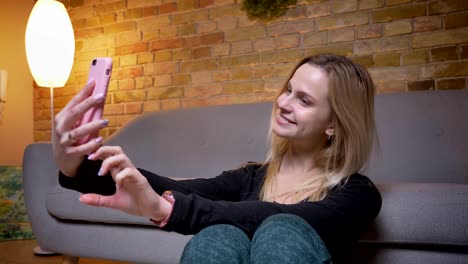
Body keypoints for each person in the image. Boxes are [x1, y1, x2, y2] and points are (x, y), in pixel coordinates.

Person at [54, 53, 382, 264]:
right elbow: (174, 187)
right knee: (219, 235)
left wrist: (168, 209)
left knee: (282, 228)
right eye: (288, 90)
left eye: (305, 100)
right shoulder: (251, 178)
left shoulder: (356, 194)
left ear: (334, 125)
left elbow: (277, 214)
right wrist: (77, 162)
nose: (284, 103)